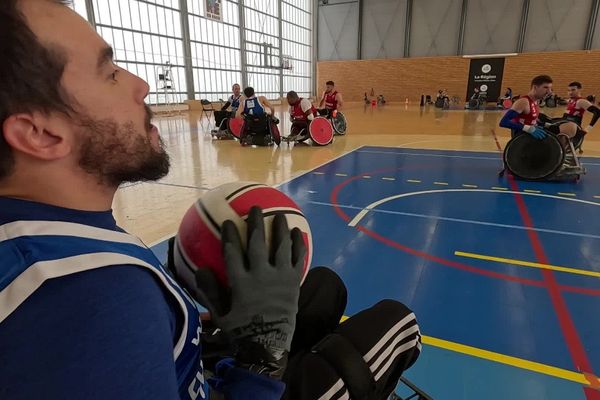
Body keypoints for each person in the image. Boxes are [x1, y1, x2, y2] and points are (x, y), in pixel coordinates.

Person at [0, 2, 421, 399]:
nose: (141, 84)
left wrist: (183, 314)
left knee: (322, 287)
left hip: (186, 364)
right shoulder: (98, 303)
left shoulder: (47, 231)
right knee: (398, 322)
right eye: (109, 72)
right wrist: (261, 362)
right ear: (39, 134)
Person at [499, 75, 580, 168]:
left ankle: (557, 157)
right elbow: (503, 122)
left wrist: (547, 125)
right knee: (569, 128)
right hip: (524, 137)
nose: (549, 91)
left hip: (535, 132)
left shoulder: (535, 101)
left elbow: (533, 120)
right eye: (545, 87)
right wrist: (528, 129)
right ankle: (554, 160)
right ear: (535, 87)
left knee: (571, 127)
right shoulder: (523, 102)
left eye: (550, 88)